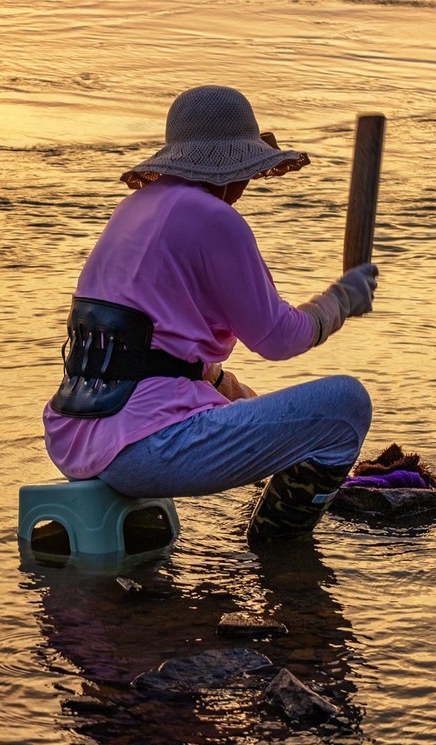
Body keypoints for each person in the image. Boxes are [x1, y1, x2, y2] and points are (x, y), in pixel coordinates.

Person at [42, 85, 379, 542]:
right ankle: (277, 550)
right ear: (232, 166)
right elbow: (278, 338)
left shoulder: (135, 209)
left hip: (73, 434)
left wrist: (230, 389)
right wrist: (339, 303)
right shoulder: (214, 217)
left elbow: (153, 347)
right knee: (346, 407)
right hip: (141, 447)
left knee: (248, 399)